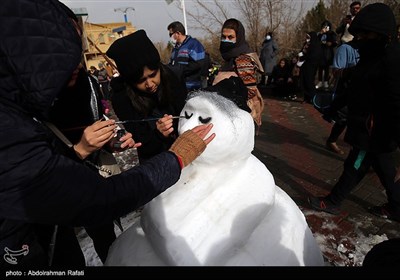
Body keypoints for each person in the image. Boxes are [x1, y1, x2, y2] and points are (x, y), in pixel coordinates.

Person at [0, 0, 215, 268]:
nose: (77, 66)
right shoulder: (13, 129)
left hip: (54, 230)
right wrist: (174, 156)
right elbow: (98, 198)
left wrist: (111, 142)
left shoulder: (48, 96)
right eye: (69, 55)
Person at [308, 3, 400, 223]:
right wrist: (332, 109)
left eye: (364, 35)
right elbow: (353, 89)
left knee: (355, 165)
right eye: (357, 35)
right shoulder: (369, 58)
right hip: (366, 126)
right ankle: (397, 207)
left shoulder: (392, 61)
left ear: (380, 34)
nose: (359, 40)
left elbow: (396, 102)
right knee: (383, 167)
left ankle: (333, 201)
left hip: (374, 130)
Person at [107, 30, 188, 163]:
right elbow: (141, 142)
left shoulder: (173, 77)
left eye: (153, 75)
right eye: (141, 80)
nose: (150, 84)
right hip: (156, 161)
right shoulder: (121, 97)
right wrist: (158, 134)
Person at [212, 18, 265, 134]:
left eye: (230, 37)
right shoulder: (231, 58)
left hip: (239, 116)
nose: (226, 40)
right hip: (229, 113)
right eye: (224, 37)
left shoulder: (242, 60)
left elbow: (249, 91)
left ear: (239, 37)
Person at [324, 39, 360, 155]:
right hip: (346, 91)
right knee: (344, 119)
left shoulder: (374, 50)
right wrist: (354, 70)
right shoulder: (346, 48)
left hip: (364, 93)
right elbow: (336, 71)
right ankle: (332, 140)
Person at [167, 21, 207, 92]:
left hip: (193, 87)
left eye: (171, 34)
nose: (170, 36)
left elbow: (198, 64)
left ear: (178, 33)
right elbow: (172, 64)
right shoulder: (175, 49)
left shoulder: (194, 44)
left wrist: (180, 70)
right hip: (179, 87)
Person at [298, 31, 322, 103]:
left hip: (311, 66)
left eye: (309, 37)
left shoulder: (316, 45)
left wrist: (305, 56)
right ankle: (306, 97)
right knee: (303, 81)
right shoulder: (307, 45)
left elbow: (314, 56)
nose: (307, 39)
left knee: (309, 82)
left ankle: (313, 98)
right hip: (304, 65)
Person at [315, 20, 337, 90]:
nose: (325, 28)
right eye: (324, 26)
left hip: (328, 53)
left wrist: (330, 42)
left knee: (326, 68)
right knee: (320, 67)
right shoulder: (319, 33)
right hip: (320, 52)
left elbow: (334, 42)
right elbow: (316, 41)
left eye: (326, 26)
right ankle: (320, 81)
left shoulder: (332, 33)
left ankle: (326, 82)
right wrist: (321, 33)